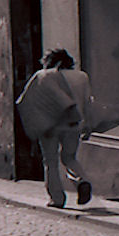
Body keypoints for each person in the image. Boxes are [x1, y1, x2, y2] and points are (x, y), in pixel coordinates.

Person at [19, 48, 93, 208]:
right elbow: (87, 101)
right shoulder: (81, 76)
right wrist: (87, 124)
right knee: (69, 157)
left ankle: (57, 198)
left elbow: (30, 99)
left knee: (50, 162)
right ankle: (82, 180)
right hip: (74, 122)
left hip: (50, 124)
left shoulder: (43, 76)